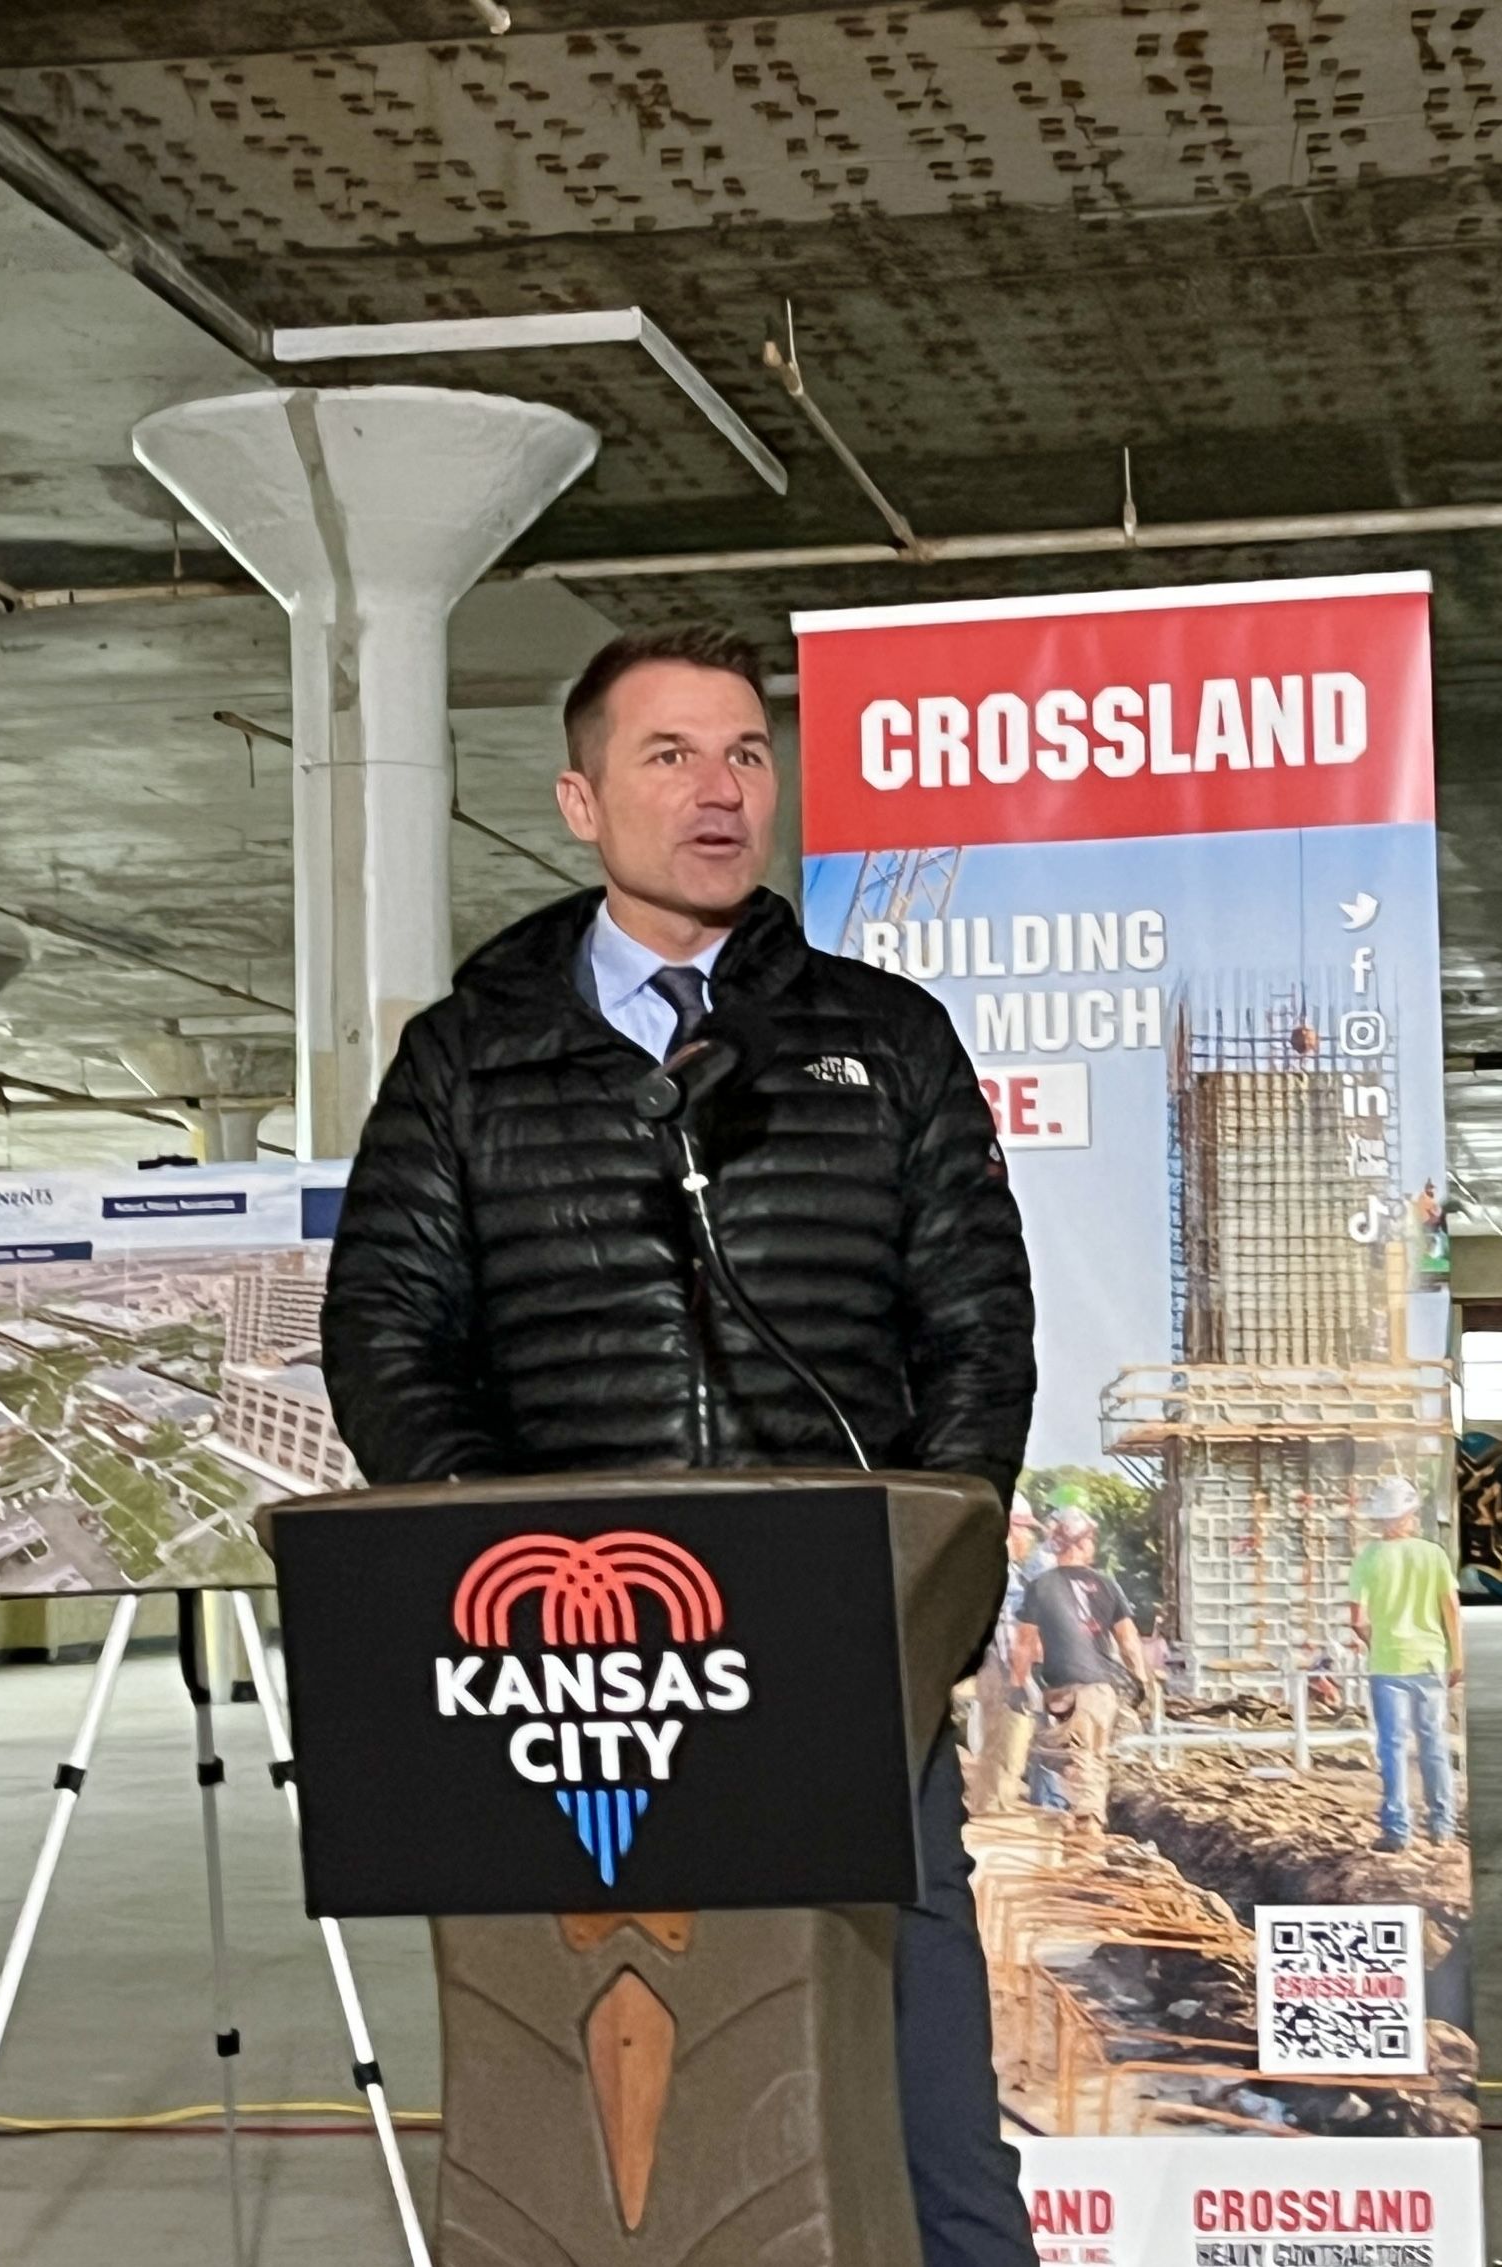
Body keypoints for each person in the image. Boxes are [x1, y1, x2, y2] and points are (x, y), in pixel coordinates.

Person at [320, 622, 1038, 2267]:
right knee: (596, 2135)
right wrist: (485, 1560)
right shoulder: (466, 1058)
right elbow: (385, 1334)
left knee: (924, 2126)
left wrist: (927, 1587)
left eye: (745, 755)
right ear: (579, 798)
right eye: (667, 756)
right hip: (563, 1695)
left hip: (837, 1667)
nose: (717, 793)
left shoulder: (888, 1039)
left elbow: (977, 1334)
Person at [1012, 1509, 1150, 1827]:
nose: (1093, 1545)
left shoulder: (1040, 1586)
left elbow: (1024, 1644)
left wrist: (1018, 1685)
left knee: (1067, 1755)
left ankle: (1069, 1817)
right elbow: (1128, 1641)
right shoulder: (1107, 1584)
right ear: (1080, 1542)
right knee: (1091, 1758)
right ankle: (1087, 1828)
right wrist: (1141, 1680)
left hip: (1060, 1688)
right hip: (1099, 1688)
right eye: (1090, 1538)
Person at [1346, 1479, 1462, 1849]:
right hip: (1429, 1660)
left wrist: (1376, 1641)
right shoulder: (1434, 1555)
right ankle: (1442, 1827)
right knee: (1434, 1745)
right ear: (1409, 1514)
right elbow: (1451, 1611)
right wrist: (1457, 1657)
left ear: (1381, 1519)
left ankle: (1398, 1831)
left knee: (1392, 1747)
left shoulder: (1367, 1559)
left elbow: (1358, 1619)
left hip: (1388, 1664)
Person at [964, 1502, 1046, 1816]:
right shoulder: (1004, 1575)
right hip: (1003, 1669)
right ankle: (995, 1811)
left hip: (993, 1667)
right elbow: (1006, 1630)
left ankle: (990, 1807)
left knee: (995, 1746)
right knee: (1009, 1743)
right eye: (1024, 1529)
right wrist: (1021, 1680)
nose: (1029, 1538)